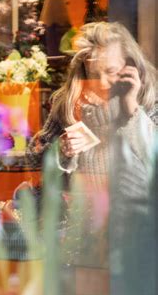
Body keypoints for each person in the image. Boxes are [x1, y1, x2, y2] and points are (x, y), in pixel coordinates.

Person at [26, 21, 157, 195]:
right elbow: (33, 160)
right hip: (80, 216)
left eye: (111, 71)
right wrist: (61, 149)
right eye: (93, 74)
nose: (102, 83)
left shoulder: (149, 99)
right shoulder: (69, 101)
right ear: (84, 67)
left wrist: (132, 108)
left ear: (130, 65)